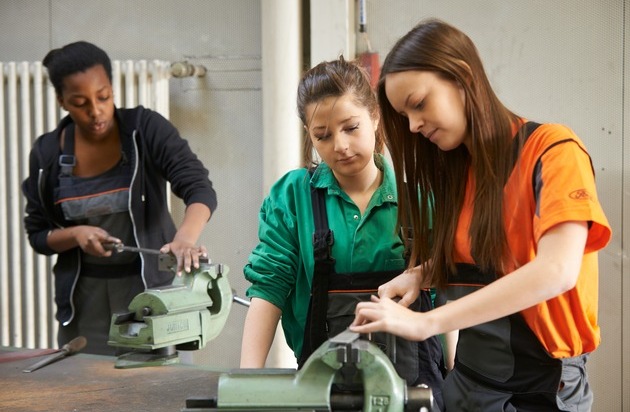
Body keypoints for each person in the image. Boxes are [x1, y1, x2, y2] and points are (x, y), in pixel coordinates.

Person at [350, 18, 612, 411]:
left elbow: (557, 271)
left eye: (419, 104)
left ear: (463, 77)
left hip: (538, 390)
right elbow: (487, 258)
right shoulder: (460, 172)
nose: (414, 125)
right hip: (470, 384)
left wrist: (426, 324)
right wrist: (421, 274)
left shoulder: (553, 152)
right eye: (405, 115)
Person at [240, 57, 446, 409]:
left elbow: (448, 291)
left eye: (351, 127)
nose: (340, 145)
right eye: (323, 135)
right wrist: (244, 387)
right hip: (322, 391)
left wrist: (456, 375)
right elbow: (268, 291)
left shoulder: (420, 199)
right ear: (310, 134)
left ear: (375, 117)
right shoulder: (292, 199)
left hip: (413, 393)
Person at [21, 41, 217, 356]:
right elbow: (38, 235)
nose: (95, 112)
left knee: (148, 392)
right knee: (85, 392)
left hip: (148, 296)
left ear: (112, 89)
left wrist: (185, 239)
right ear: (62, 102)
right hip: (83, 302)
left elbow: (198, 187)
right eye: (80, 102)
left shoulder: (145, 130)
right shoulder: (47, 154)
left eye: (103, 97)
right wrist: (76, 234)